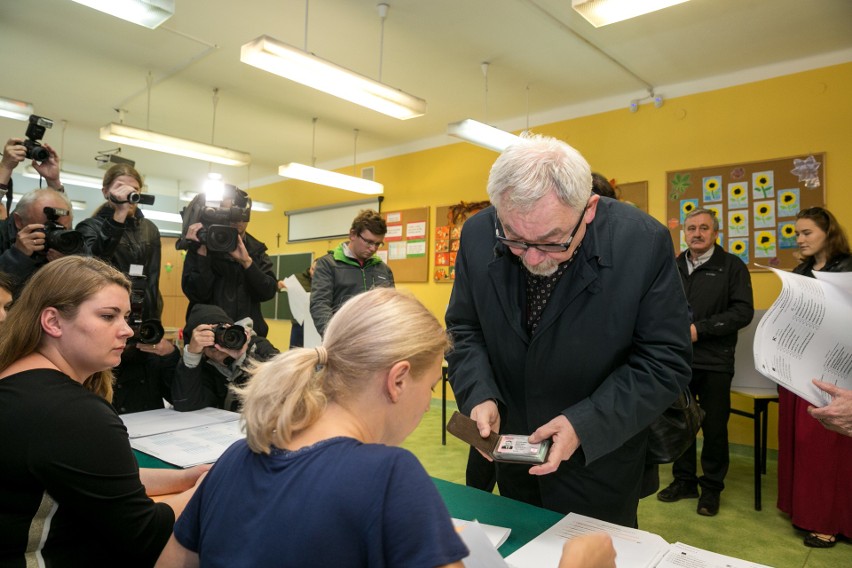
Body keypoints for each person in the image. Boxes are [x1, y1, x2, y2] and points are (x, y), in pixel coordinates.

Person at [155, 287, 617, 568]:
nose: (429, 400)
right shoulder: (388, 474)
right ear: (397, 380)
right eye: (431, 384)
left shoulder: (236, 458)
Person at [445, 134, 692, 528]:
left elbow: (665, 360)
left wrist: (585, 423)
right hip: (514, 455)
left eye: (551, 241)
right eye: (515, 238)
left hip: (599, 459)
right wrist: (479, 393)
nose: (532, 257)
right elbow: (464, 327)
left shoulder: (643, 242)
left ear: (589, 208)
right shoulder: (478, 234)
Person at [0, 256, 208, 567]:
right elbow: (146, 535)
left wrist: (185, 478)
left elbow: (101, 481)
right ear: (53, 322)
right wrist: (205, 490)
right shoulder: (71, 413)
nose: (126, 330)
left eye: (126, 317)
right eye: (108, 316)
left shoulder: (20, 381)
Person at [657, 209, 754, 516]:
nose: (696, 233)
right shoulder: (672, 266)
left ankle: (711, 488)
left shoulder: (731, 266)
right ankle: (684, 481)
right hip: (677, 361)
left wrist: (700, 329)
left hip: (715, 362)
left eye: (703, 228)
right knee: (680, 424)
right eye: (691, 228)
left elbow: (743, 312)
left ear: (715, 233)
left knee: (714, 428)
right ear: (684, 233)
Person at [777, 206, 852, 548]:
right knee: (808, 445)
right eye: (797, 234)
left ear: (827, 232)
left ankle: (833, 520)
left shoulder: (848, 268)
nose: (800, 239)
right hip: (803, 367)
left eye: (807, 232)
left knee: (834, 447)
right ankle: (808, 512)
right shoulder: (801, 270)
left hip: (838, 371)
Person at [77, 163, 178, 413]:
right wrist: (119, 214)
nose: (129, 194)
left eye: (134, 189)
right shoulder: (89, 227)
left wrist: (154, 323)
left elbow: (153, 280)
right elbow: (94, 263)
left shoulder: (150, 229)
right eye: (121, 187)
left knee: (142, 394)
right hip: (108, 317)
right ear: (106, 192)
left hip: (143, 319)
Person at [181, 187, 278, 338]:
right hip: (209, 336)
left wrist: (247, 262)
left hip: (249, 336)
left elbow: (268, 291)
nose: (235, 219)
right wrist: (202, 253)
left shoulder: (255, 249)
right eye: (227, 212)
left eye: (239, 212)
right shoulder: (201, 245)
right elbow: (197, 295)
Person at [171, 303, 279, 412]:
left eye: (223, 331)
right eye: (208, 335)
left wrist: (243, 359)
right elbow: (186, 404)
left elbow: (283, 384)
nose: (217, 342)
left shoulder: (258, 347)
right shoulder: (203, 366)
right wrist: (192, 356)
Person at [310, 209, 395, 337]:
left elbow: (392, 307)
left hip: (377, 343)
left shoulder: (383, 269)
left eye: (378, 244)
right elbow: (320, 305)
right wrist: (336, 337)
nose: (373, 248)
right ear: (353, 234)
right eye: (369, 242)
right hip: (342, 344)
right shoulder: (328, 265)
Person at [277, 258, 317, 348]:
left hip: (315, 323)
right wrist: (279, 285)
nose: (313, 272)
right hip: (299, 323)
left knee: (311, 352)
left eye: (317, 270)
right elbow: (280, 287)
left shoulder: (324, 281)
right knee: (294, 352)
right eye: (312, 269)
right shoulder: (298, 278)